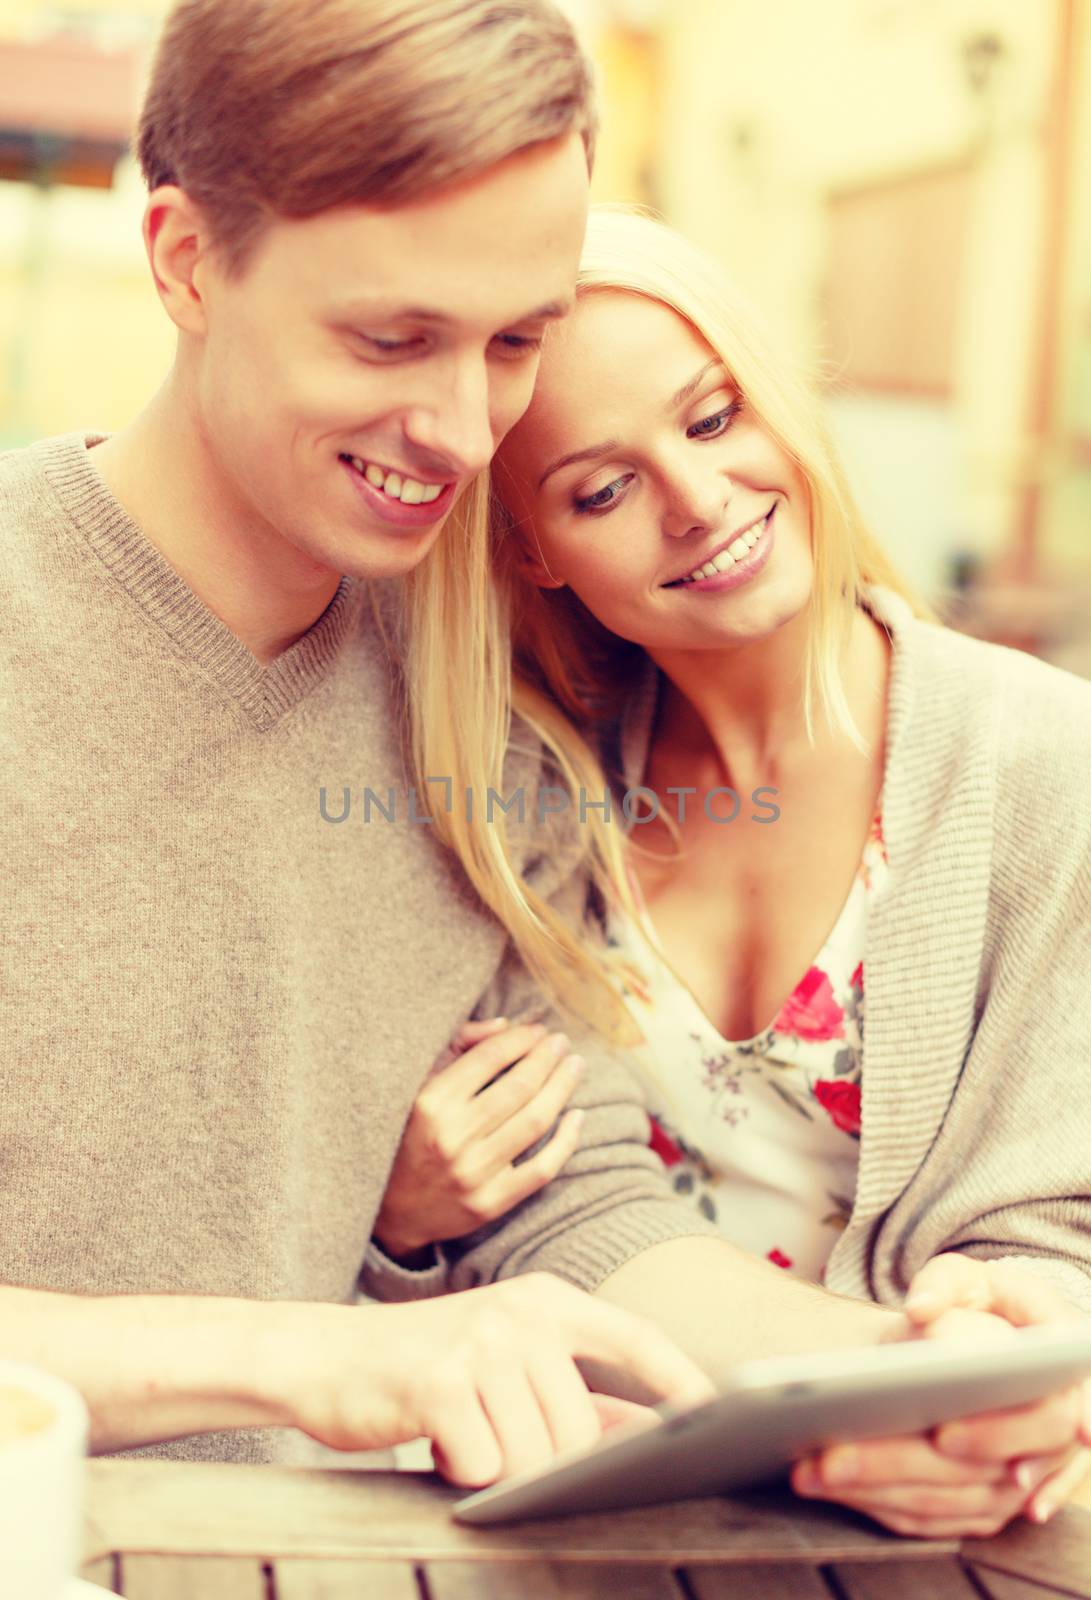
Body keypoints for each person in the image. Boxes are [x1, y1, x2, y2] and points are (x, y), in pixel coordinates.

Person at [2, 0, 935, 1488]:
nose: (459, 425)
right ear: (184, 259)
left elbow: (574, 1213)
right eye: (392, 338)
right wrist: (301, 1355)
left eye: (517, 341)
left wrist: (903, 1389)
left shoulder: (484, 701)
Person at [374, 206, 1091, 1535]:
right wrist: (882, 1379)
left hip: (966, 1503)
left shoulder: (1048, 765)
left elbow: (1058, 1230)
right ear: (534, 551)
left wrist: (968, 1382)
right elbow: (548, 1207)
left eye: (711, 419)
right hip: (619, 1518)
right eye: (601, 489)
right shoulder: (534, 799)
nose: (698, 502)